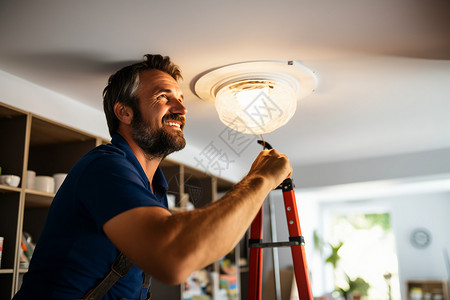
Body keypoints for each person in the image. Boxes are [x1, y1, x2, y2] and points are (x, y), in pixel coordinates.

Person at [13, 54, 292, 300]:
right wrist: (260, 180)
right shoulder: (104, 166)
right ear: (124, 111)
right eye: (163, 96)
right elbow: (173, 258)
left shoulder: (156, 190)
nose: (182, 110)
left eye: (180, 100)